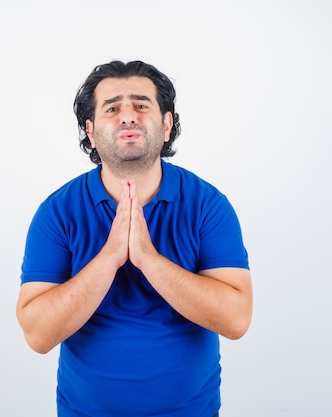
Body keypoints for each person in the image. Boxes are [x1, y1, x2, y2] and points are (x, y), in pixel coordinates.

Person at [16, 60, 252, 417]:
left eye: (142, 105)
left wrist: (148, 259)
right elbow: (38, 335)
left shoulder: (207, 205)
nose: (128, 116)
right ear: (91, 131)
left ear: (167, 125)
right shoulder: (57, 212)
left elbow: (236, 320)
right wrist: (110, 257)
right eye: (112, 108)